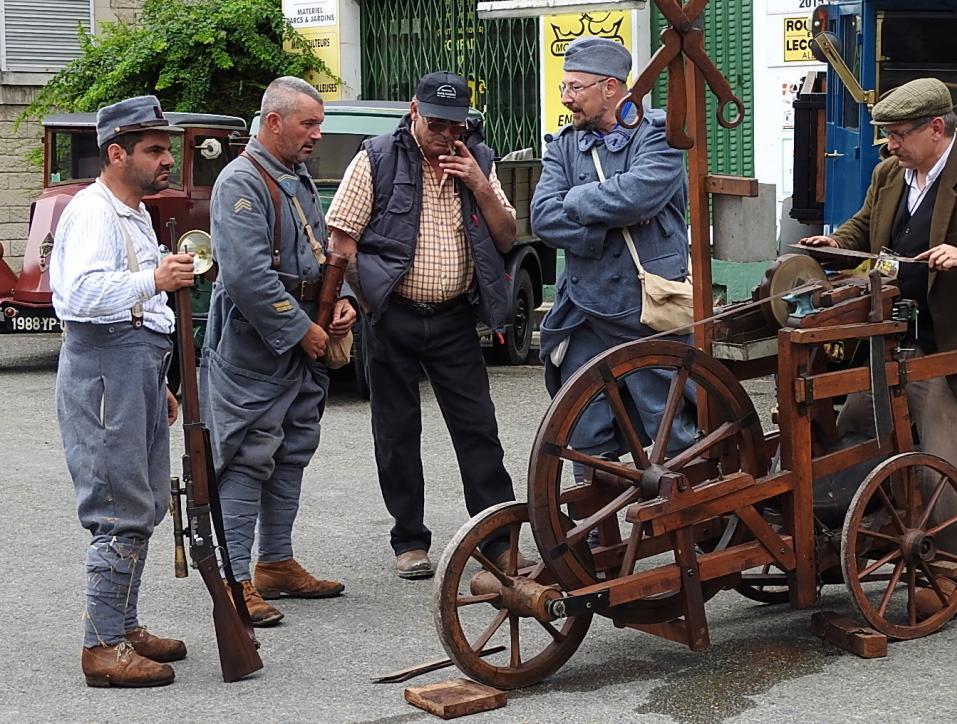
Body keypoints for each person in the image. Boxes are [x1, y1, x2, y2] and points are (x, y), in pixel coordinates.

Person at [800, 77, 957, 614]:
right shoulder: (890, 173)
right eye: (887, 136)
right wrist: (836, 244)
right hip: (890, 340)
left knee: (949, 465)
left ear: (935, 128)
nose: (890, 145)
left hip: (953, 348)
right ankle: (876, 545)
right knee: (856, 435)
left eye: (897, 134)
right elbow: (867, 228)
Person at [326, 71, 517, 579]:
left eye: (455, 127)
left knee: (478, 430)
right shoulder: (377, 158)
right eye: (436, 124)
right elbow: (341, 243)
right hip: (392, 315)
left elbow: (505, 237)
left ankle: (497, 540)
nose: (446, 136)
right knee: (396, 432)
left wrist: (478, 182)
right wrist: (364, 303)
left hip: (454, 317)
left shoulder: (477, 157)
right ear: (414, 110)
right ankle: (409, 539)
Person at [202, 77, 356, 625]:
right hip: (255, 343)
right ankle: (235, 578)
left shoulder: (295, 176)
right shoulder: (240, 181)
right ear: (273, 122)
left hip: (297, 337)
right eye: (308, 124)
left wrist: (342, 305)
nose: (318, 133)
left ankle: (276, 563)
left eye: (318, 123)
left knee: (291, 448)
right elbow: (245, 277)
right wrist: (302, 331)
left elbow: (319, 257)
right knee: (247, 455)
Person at [51, 95, 192, 687]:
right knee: (118, 506)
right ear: (117, 153)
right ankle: (102, 646)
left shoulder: (131, 211)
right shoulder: (93, 211)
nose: (167, 159)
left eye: (165, 148)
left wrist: (156, 377)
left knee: (144, 501)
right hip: (105, 363)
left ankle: (122, 624)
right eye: (155, 150)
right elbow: (78, 297)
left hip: (131, 364)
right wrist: (153, 278)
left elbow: (132, 302)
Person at [531, 37, 698, 474]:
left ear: (610, 88)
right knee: (582, 429)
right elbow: (543, 217)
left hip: (646, 306)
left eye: (575, 87)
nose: (566, 98)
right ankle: (595, 532)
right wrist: (599, 227)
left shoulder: (660, 135)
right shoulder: (564, 144)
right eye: (564, 87)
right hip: (582, 309)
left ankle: (697, 524)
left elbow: (639, 196)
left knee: (667, 423)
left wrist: (575, 200)